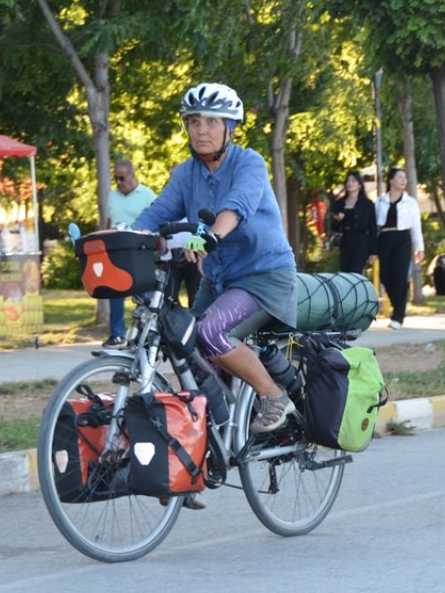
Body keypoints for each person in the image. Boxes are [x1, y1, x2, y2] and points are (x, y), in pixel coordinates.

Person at [132, 82, 298, 435]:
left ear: (229, 127)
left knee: (209, 332)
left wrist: (212, 236)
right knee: (182, 340)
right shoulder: (186, 174)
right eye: (194, 122)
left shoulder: (249, 163)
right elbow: (158, 212)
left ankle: (273, 396)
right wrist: (128, 238)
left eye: (211, 121)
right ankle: (214, 428)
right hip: (220, 281)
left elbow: (234, 208)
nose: (201, 130)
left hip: (264, 277)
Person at [101, 159, 156, 348]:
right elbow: (108, 221)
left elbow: (158, 221)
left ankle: (144, 334)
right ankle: (117, 334)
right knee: (114, 292)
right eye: (115, 178)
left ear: (132, 175)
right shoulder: (112, 196)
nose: (118, 182)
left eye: (122, 178)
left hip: (138, 251)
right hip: (116, 251)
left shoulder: (147, 195)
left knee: (143, 294)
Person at [374, 167, 424, 329]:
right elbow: (374, 226)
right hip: (385, 239)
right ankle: (399, 305)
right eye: (399, 177)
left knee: (400, 275)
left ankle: (398, 315)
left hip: (402, 239)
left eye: (405, 177)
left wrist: (420, 248)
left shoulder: (410, 202)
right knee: (386, 276)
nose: (403, 180)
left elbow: (416, 226)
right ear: (391, 180)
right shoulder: (380, 201)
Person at [329, 170, 378, 273]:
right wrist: (338, 220)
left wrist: (373, 251)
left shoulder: (367, 204)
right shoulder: (339, 204)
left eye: (353, 181)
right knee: (345, 272)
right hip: (346, 239)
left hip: (361, 241)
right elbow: (334, 227)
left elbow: (373, 228)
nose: (350, 183)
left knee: (355, 272)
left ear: (360, 185)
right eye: (348, 181)